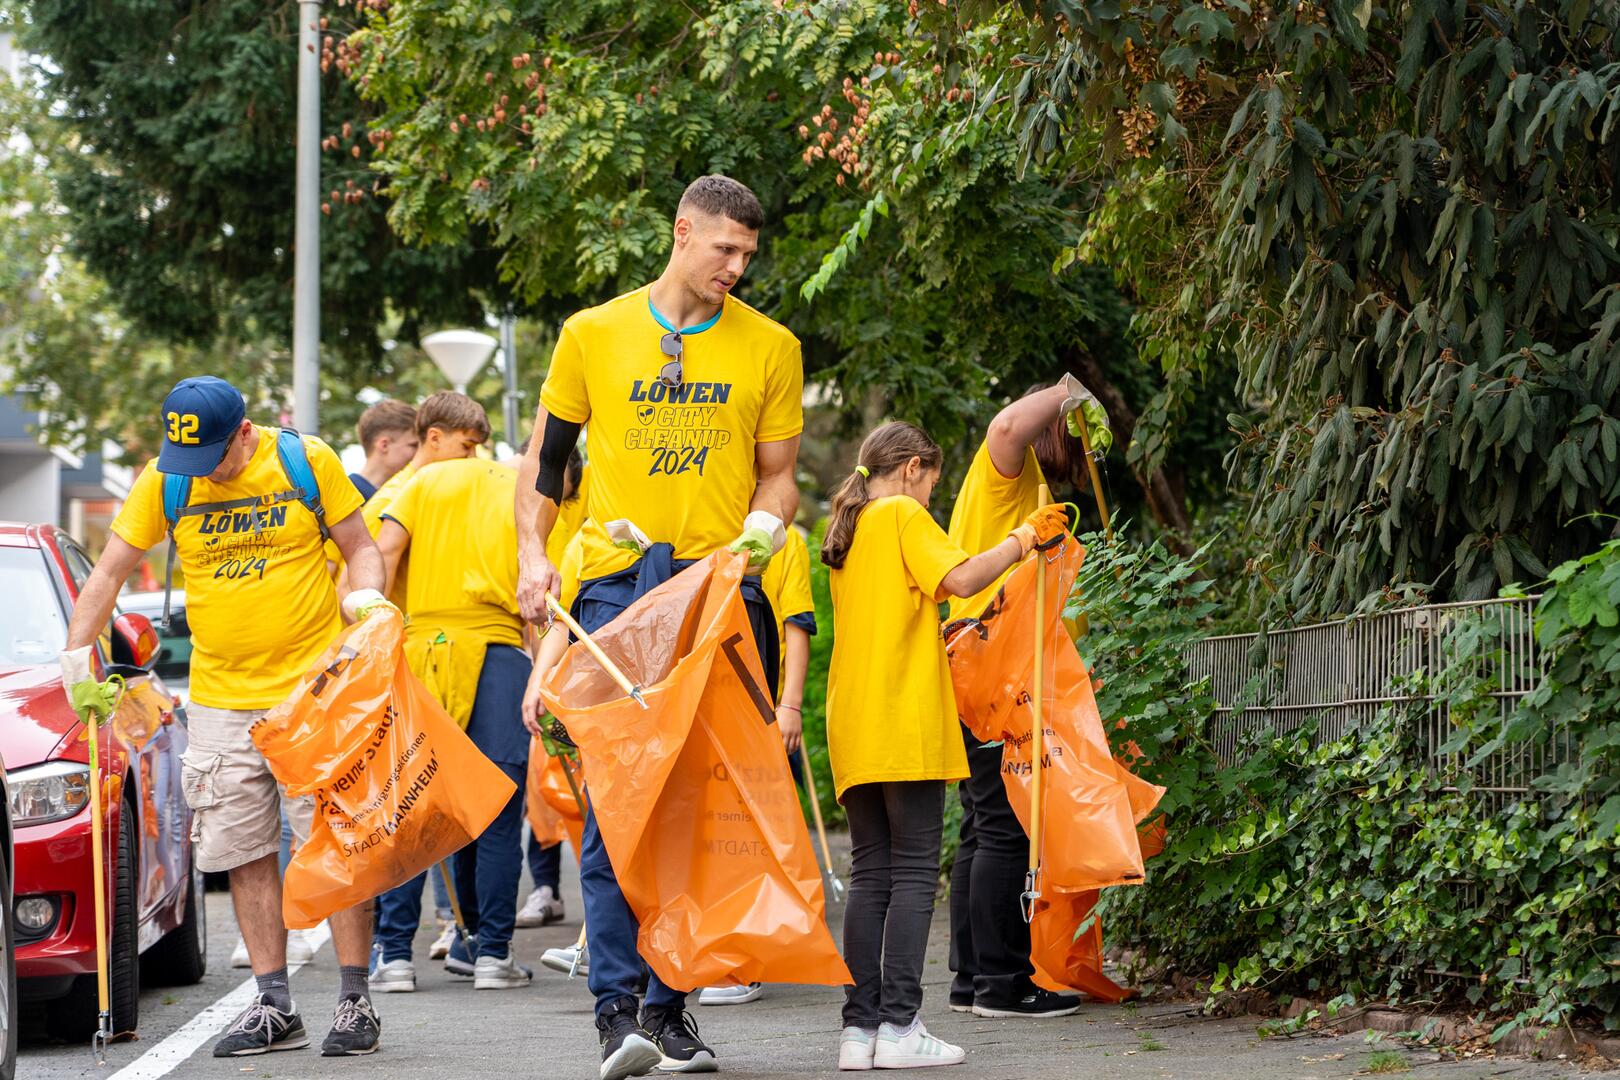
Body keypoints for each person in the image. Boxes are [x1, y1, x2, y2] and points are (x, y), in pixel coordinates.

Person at [515, 174, 802, 1080]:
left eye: (749, 255)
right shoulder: (592, 334)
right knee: (613, 810)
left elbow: (781, 476)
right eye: (725, 249)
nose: (737, 268)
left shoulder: (772, 347)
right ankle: (614, 1014)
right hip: (615, 593)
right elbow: (545, 469)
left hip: (718, 591)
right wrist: (533, 553)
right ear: (683, 232)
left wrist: (765, 527)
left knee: (692, 813)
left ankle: (667, 1013)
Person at [58, 376, 389, 1057]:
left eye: (214, 454)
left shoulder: (306, 460)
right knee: (242, 851)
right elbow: (110, 572)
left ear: (244, 432)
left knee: (340, 845)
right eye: (190, 460)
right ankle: (274, 1006)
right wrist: (74, 659)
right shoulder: (167, 480)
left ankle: (355, 1000)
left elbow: (361, 547)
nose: (202, 471)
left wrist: (368, 603)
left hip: (313, 690)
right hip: (218, 699)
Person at [819, 421, 1067, 1072]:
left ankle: (860, 1032)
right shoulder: (899, 511)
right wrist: (1023, 538)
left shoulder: (848, 525)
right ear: (912, 468)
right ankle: (901, 1026)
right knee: (913, 875)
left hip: (852, 719)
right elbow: (960, 580)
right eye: (933, 479)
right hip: (904, 717)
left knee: (872, 875)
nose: (932, 494)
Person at [944, 377, 1096, 1020]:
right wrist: (1069, 391)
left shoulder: (1028, 486)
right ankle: (1002, 984)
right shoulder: (1009, 468)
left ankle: (972, 979)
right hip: (991, 667)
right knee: (1003, 825)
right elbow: (1006, 425)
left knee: (983, 823)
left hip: (980, 663)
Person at [697, 523, 817, 1008]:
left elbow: (798, 623)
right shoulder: (707, 527)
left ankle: (744, 956)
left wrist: (789, 705)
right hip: (708, 694)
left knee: (750, 824)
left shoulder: (786, 537)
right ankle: (719, 948)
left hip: (757, 694)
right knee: (713, 824)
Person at [518, 449, 585, 931]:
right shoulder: (527, 525)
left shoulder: (588, 517)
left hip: (583, 665)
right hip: (545, 662)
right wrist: (533, 672)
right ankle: (545, 887)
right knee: (543, 781)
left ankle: (600, 897)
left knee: (583, 785)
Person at [348, 398, 419, 501]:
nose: (420, 452)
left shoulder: (407, 492)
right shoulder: (345, 495)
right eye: (413, 445)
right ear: (384, 445)